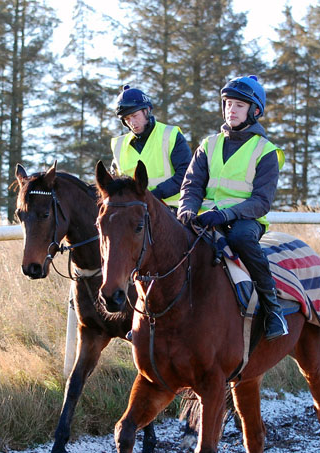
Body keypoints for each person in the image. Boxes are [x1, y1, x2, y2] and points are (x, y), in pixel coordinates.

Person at [176, 75, 288, 340]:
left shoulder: (266, 151)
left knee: (240, 238)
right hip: (205, 217)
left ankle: (273, 310)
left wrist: (226, 214)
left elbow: (261, 202)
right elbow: (191, 185)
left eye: (239, 105)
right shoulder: (208, 145)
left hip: (244, 219)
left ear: (255, 111)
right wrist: (186, 210)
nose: (231, 110)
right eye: (228, 104)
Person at [110, 85, 191, 209]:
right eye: (127, 119)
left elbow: (186, 174)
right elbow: (115, 182)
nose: (132, 123)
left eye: (135, 116)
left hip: (172, 209)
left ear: (146, 110)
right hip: (135, 211)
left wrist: (155, 195)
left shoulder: (171, 135)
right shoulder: (119, 146)